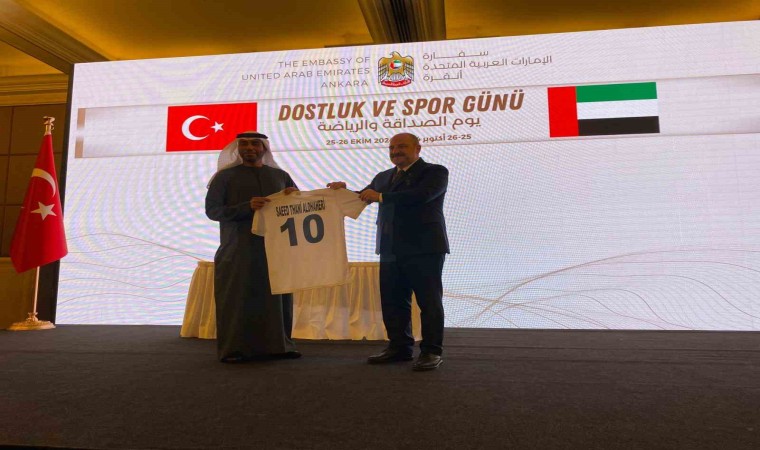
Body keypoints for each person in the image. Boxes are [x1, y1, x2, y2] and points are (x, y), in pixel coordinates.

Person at [328, 132, 449, 371]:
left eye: (402, 146)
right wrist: (343, 192)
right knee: (393, 301)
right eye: (392, 148)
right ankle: (399, 347)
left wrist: (381, 196)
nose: (396, 151)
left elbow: (422, 196)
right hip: (389, 247)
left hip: (424, 247)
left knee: (429, 302)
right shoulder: (383, 176)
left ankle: (431, 352)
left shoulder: (435, 172)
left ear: (418, 148)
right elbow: (363, 198)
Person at [205, 131, 301, 363]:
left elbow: (297, 206)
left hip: (275, 249)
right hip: (239, 249)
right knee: (238, 299)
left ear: (264, 148)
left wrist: (293, 196)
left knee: (277, 299)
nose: (250, 148)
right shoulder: (224, 177)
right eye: (245, 144)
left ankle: (279, 346)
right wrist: (246, 207)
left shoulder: (280, 176)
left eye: (255, 144)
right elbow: (213, 211)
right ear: (238, 148)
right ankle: (236, 350)